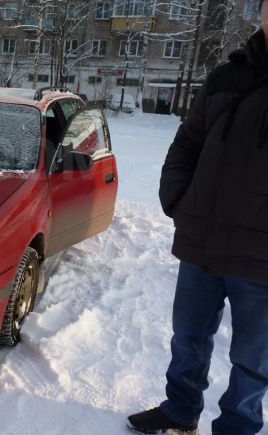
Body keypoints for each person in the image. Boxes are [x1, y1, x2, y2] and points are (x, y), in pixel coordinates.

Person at [127, 3, 268, 435]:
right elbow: (187, 141)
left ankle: (237, 428)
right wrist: (177, 199)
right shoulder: (226, 77)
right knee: (187, 338)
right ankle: (180, 410)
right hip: (202, 240)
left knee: (253, 358)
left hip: (262, 256)